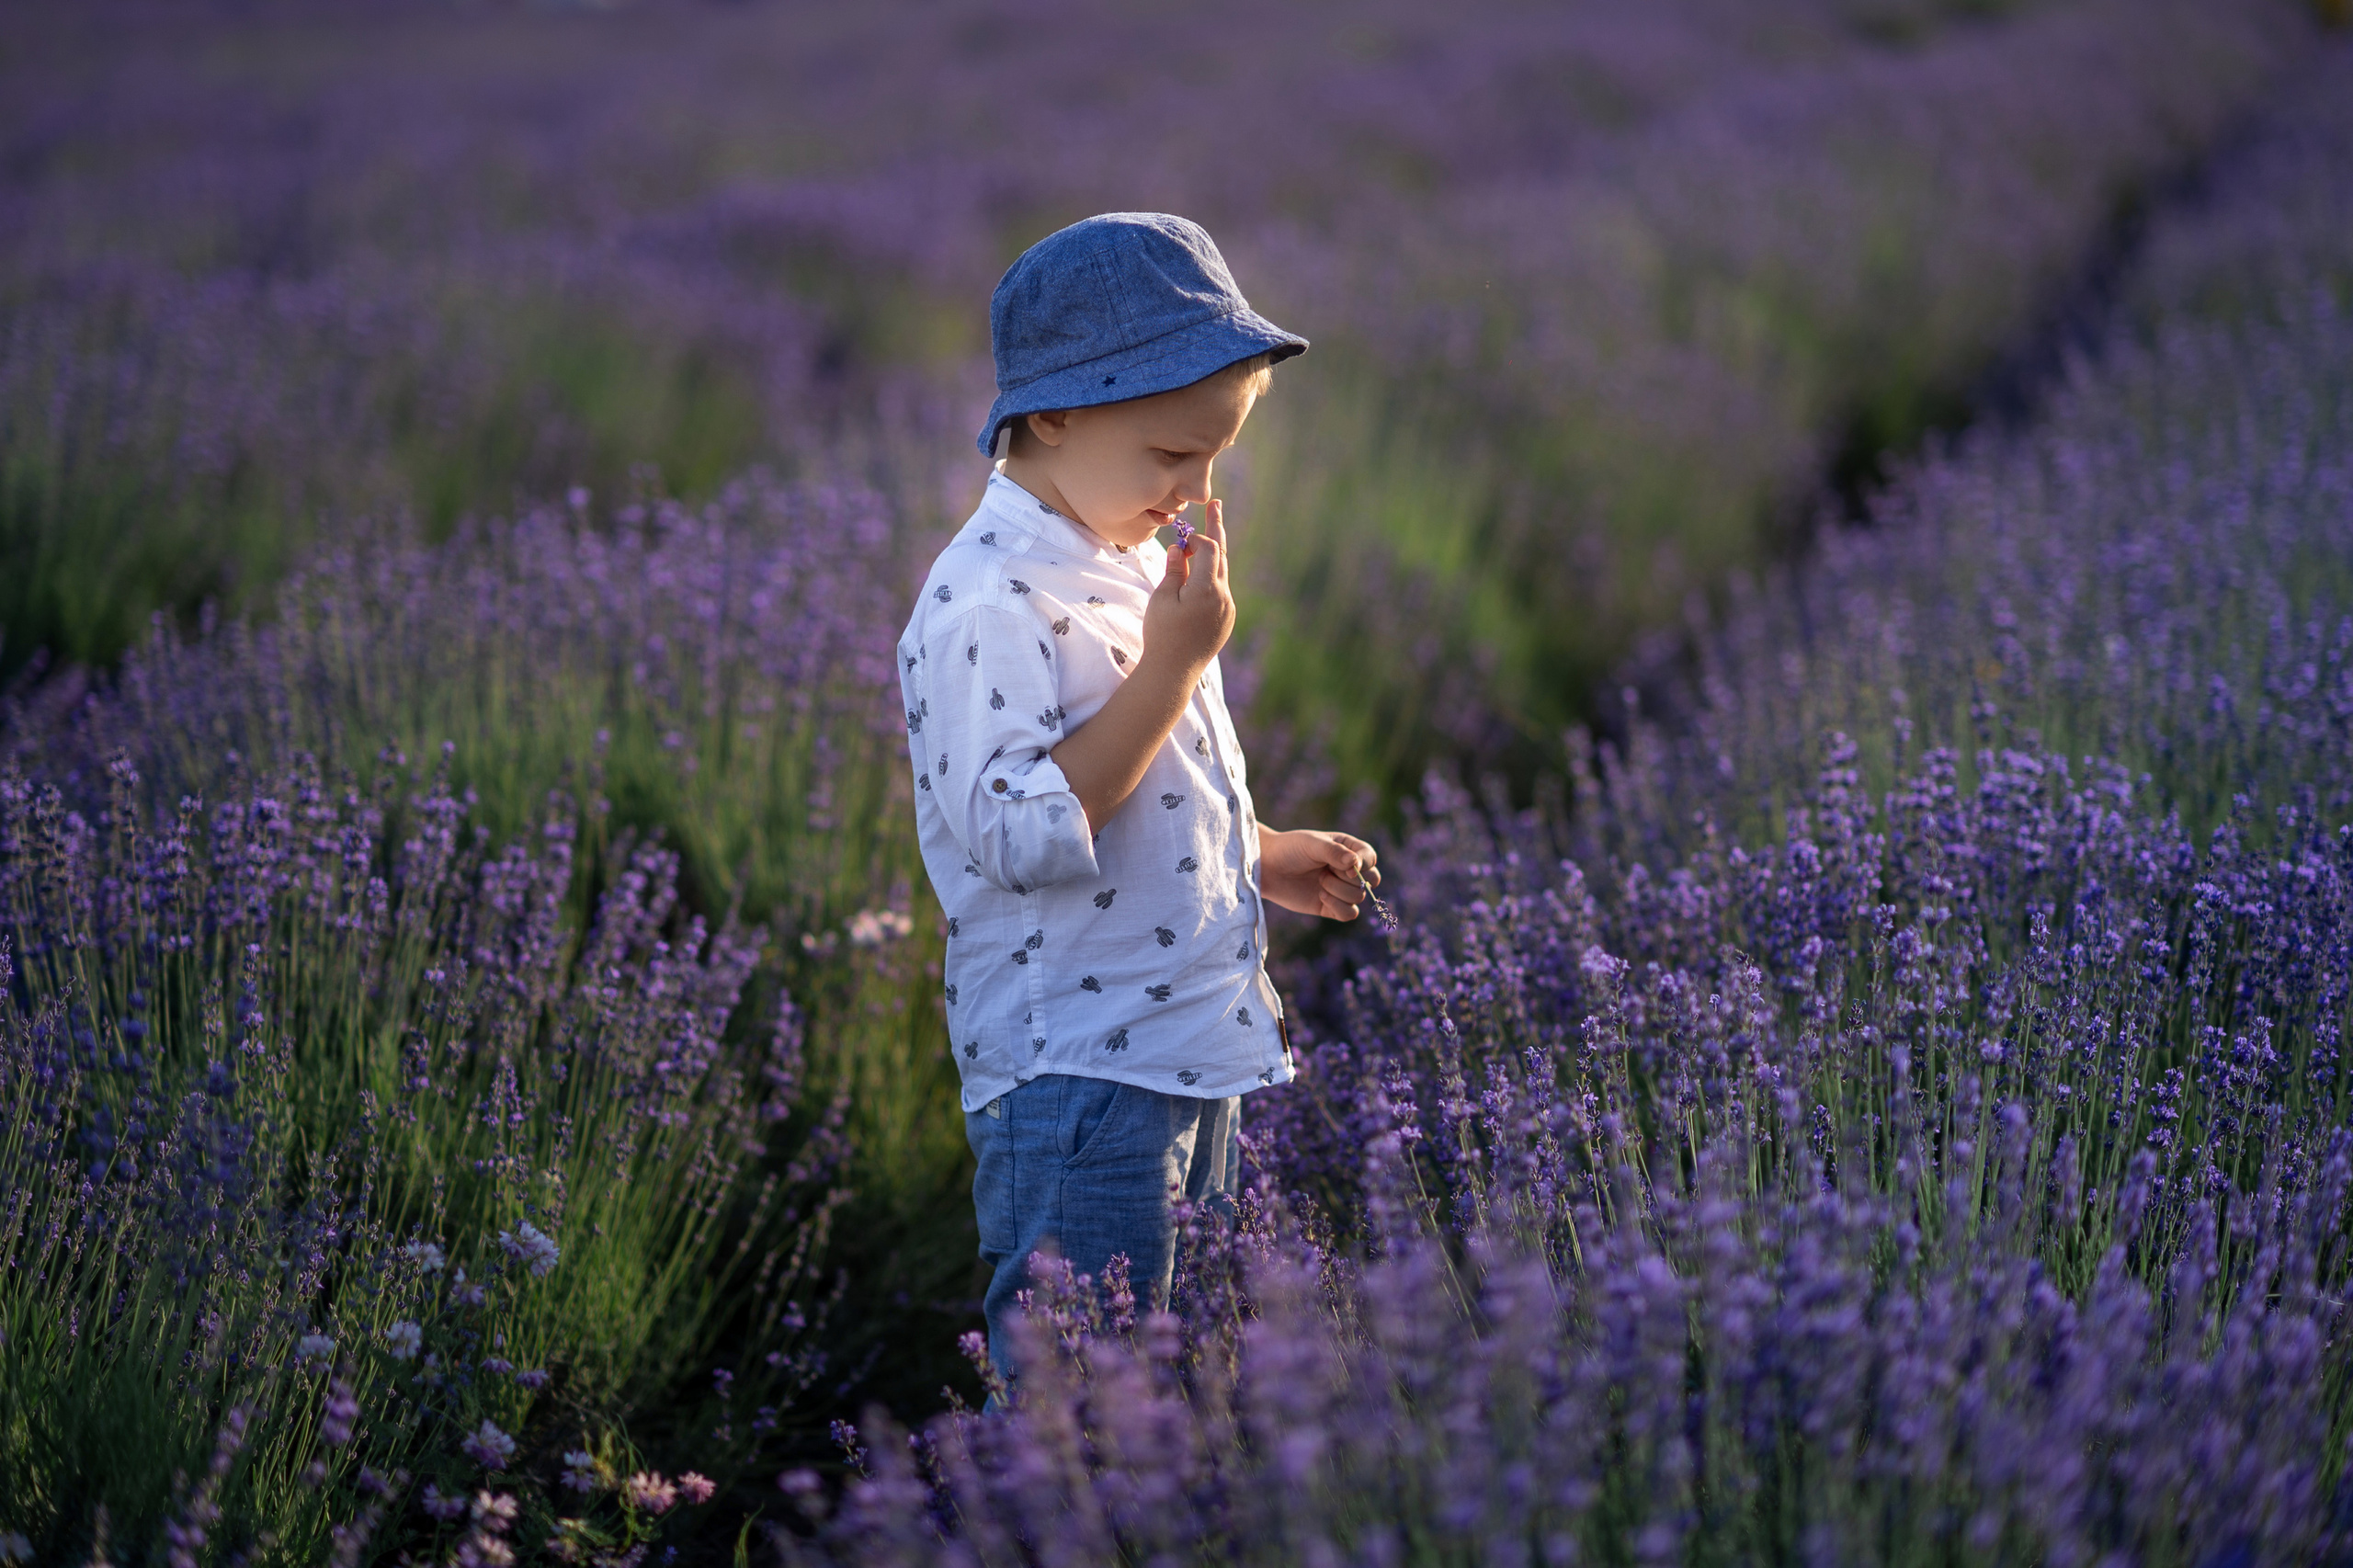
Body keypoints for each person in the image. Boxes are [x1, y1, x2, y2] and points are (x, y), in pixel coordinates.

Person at [896, 211, 1381, 1384]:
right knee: (1085, 1397)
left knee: (1167, 1376)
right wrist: (1173, 664)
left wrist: (1254, 850)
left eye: (1215, 456)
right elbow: (1019, 830)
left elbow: (1141, 783)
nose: (1196, 488)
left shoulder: (1109, 556)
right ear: (1054, 414)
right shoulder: (984, 604)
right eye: (1172, 455)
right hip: (1077, 1071)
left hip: (1176, 1043)